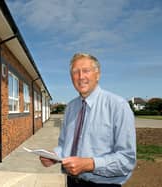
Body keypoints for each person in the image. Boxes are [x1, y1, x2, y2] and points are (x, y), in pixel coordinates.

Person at [40, 53, 136, 187]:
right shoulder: (70, 108)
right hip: (72, 182)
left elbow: (127, 159)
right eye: (75, 72)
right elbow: (64, 145)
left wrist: (90, 164)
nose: (80, 77)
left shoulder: (118, 106)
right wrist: (54, 155)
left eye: (86, 71)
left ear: (98, 75)